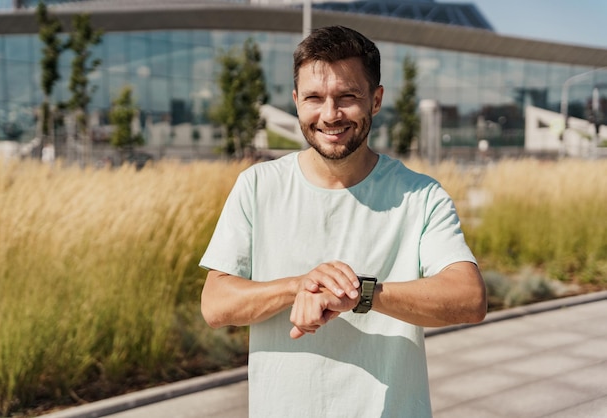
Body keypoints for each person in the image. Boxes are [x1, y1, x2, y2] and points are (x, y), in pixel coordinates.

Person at [200, 25, 487, 417]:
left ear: (376, 100)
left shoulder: (421, 195)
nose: (330, 115)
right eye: (315, 98)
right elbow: (215, 304)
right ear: (297, 100)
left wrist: (359, 295)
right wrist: (298, 286)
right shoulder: (257, 186)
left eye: (347, 97)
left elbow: (469, 299)